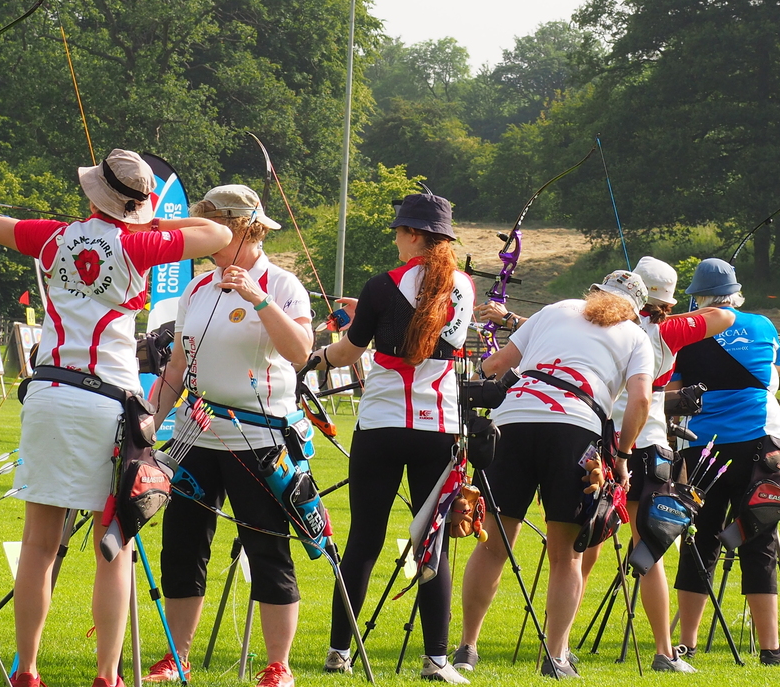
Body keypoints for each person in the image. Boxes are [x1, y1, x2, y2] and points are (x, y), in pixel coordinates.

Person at [0, 149, 232, 687]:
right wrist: (151, 220)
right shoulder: (140, 242)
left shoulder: (51, 235)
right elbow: (216, 233)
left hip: (48, 392)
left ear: (94, 193)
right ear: (136, 204)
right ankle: (107, 676)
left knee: (39, 542)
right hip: (107, 402)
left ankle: (28, 671)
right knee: (114, 544)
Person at [145, 186, 314, 687]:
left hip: (258, 442)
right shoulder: (196, 288)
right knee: (181, 546)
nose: (199, 232)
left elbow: (301, 351)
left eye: (209, 223)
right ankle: (177, 657)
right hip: (195, 436)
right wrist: (149, 422)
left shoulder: (283, 285)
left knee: (267, 548)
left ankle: (277, 665)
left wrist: (258, 299)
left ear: (240, 226)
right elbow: (177, 367)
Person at [457, 269, 655, 679]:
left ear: (595, 291)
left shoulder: (554, 310)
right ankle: (556, 655)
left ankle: (466, 646)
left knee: (494, 544)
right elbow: (641, 401)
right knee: (567, 555)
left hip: (512, 420)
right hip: (575, 429)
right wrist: (621, 456)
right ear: (635, 311)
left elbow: (494, 365)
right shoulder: (636, 337)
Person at [313, 192, 474, 683]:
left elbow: (348, 353)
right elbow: (424, 324)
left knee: (364, 539)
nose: (397, 240)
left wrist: (319, 356)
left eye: (401, 232)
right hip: (439, 429)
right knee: (433, 544)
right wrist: (370, 311)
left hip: (381, 428)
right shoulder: (463, 285)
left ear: (416, 236)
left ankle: (340, 653)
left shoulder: (383, 287)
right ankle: (437, 661)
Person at [578, 256, 733, 673]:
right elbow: (724, 314)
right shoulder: (668, 329)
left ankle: (558, 645)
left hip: (598, 439)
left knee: (585, 546)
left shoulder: (595, 324)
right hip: (644, 447)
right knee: (648, 550)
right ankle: (665, 653)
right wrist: (667, 312)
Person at [666, 258, 780, 667]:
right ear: (735, 294)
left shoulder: (685, 334)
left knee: (700, 537)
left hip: (703, 447)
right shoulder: (761, 325)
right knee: (759, 537)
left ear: (698, 297)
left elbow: (674, 390)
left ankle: (686, 643)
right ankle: (771, 650)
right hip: (759, 445)